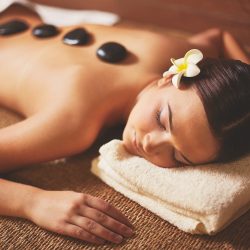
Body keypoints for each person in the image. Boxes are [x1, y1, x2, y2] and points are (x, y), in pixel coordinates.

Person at [0, 4, 249, 245]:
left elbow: (219, 37)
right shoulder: (75, 124)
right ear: (170, 77)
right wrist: (33, 202)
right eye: (162, 120)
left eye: (177, 156)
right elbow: (220, 36)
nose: (152, 145)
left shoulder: (177, 49)